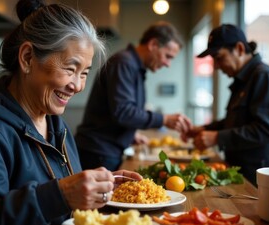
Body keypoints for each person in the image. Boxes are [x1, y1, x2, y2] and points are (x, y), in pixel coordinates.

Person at [0, 1, 142, 225]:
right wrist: (60, 195)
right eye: (70, 68)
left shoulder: (57, 127)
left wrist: (98, 190)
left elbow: (58, 206)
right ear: (27, 58)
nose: (77, 85)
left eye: (84, 73)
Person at [75, 21, 192, 171]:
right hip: (99, 152)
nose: (168, 64)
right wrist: (165, 119)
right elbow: (123, 112)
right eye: (167, 56)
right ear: (153, 44)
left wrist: (129, 135)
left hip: (103, 149)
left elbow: (115, 112)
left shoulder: (131, 65)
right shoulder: (124, 63)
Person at [184, 24, 269, 185]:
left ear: (239, 48)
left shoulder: (264, 76)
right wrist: (205, 129)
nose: (215, 66)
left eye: (218, 57)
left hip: (257, 180)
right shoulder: (244, 79)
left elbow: (265, 130)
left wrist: (217, 137)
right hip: (240, 173)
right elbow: (235, 121)